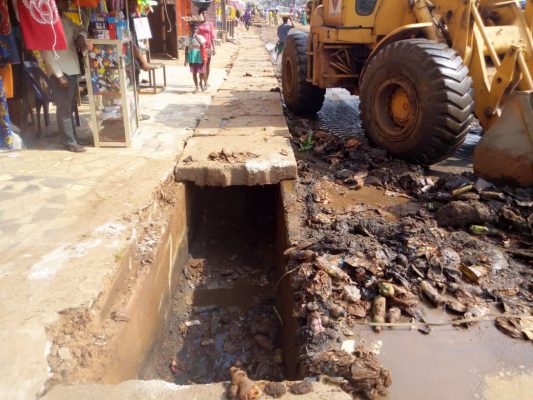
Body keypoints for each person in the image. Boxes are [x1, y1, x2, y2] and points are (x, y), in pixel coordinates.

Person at [41, 0, 87, 152]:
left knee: (70, 106)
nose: (68, 4)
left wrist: (80, 35)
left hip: (72, 69)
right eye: (64, 1)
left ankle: (72, 137)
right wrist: (59, 75)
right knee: (64, 108)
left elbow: (81, 29)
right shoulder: (47, 23)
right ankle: (69, 142)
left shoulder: (66, 21)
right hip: (61, 72)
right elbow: (46, 52)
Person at [127, 0, 152, 120]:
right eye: (133, 4)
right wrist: (143, 61)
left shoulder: (131, 17)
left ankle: (135, 113)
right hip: (129, 60)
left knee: (134, 87)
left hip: (132, 60)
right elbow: (132, 44)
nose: (135, 6)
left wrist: (144, 13)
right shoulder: (125, 19)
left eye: (137, 4)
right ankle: (135, 115)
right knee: (133, 88)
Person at [184, 23, 207, 93]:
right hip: (192, 56)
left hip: (200, 56)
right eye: (193, 29)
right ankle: (196, 87)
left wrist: (197, 38)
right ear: (190, 30)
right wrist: (186, 59)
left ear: (198, 30)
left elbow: (203, 45)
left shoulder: (201, 37)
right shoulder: (188, 38)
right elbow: (186, 49)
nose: (194, 30)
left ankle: (201, 82)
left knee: (202, 72)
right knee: (194, 73)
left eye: (196, 29)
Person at [197, 8, 216, 87]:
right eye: (203, 13)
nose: (204, 15)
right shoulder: (197, 24)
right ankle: (201, 80)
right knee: (202, 65)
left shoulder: (210, 24)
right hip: (200, 47)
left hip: (208, 47)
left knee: (207, 65)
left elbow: (212, 36)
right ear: (200, 15)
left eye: (205, 13)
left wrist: (214, 48)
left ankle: (206, 81)